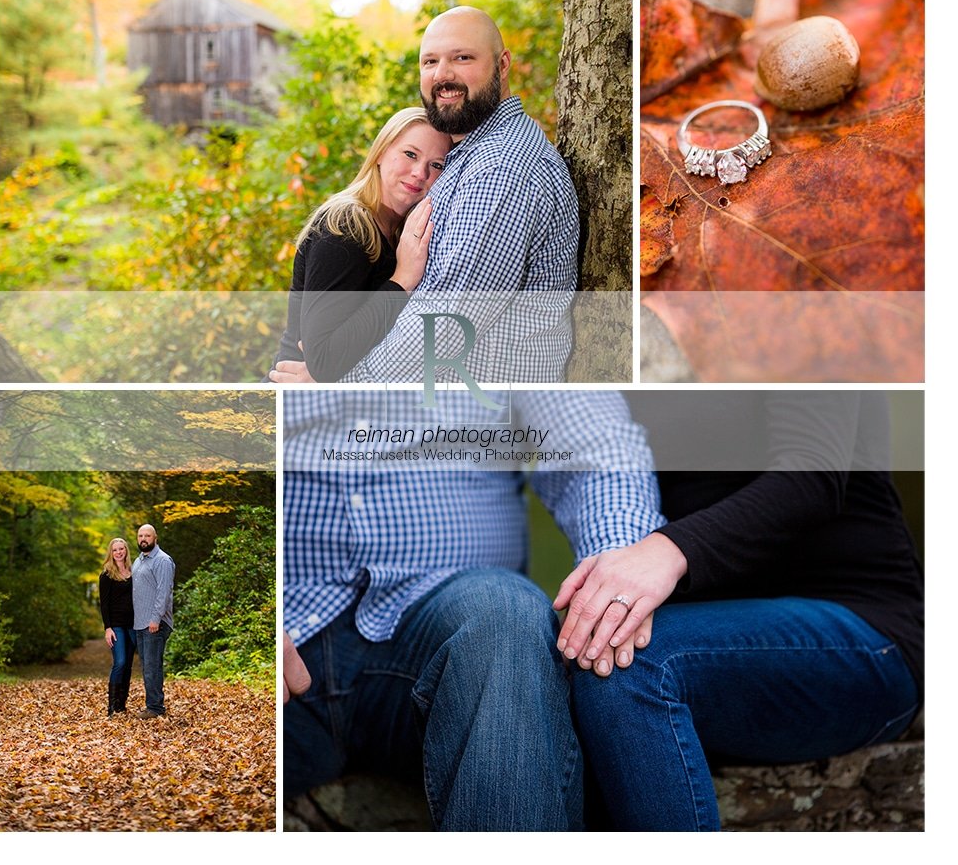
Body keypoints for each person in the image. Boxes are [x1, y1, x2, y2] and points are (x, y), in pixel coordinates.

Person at [283, 390, 664, 830]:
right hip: (286, 633)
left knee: (504, 614)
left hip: (446, 622)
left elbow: (596, 441)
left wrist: (616, 566)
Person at [557, 392, 924, 831]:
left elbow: (813, 473)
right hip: (705, 643)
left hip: (858, 624)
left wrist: (669, 551)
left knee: (626, 664)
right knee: (578, 661)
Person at [270, 5, 579, 385]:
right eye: (429, 61)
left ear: (503, 65)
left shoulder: (500, 169)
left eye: (462, 58)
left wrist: (339, 385)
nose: (442, 75)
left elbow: (446, 324)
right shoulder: (471, 157)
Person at [269, 107, 451, 382]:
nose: (420, 173)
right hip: (289, 399)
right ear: (380, 152)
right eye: (410, 154)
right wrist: (401, 281)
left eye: (436, 165)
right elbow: (324, 359)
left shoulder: (399, 231)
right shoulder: (345, 226)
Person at [132, 523, 176, 720]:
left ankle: (156, 708)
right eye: (140, 535)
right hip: (140, 623)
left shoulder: (162, 560)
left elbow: (163, 592)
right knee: (146, 666)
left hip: (155, 623)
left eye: (147, 535)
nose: (143, 539)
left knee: (152, 666)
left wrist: (155, 619)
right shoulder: (139, 561)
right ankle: (152, 705)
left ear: (155, 538)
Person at [98, 537, 135, 717]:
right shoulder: (106, 575)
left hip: (134, 625)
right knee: (119, 662)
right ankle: (111, 706)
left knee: (128, 665)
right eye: (115, 550)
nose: (118, 552)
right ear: (111, 553)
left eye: (121, 549)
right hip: (117, 626)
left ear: (126, 551)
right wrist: (108, 628)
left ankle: (122, 704)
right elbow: (104, 604)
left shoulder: (133, 571)